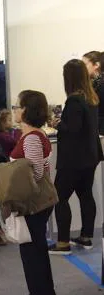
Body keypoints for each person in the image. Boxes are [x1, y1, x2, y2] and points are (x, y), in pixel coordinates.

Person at [10, 90, 57, 295]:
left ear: (26, 110)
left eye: (17, 106)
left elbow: (36, 173)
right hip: (38, 203)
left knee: (31, 254)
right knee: (38, 250)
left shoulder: (30, 138)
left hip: (32, 203)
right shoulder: (35, 135)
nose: (14, 110)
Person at [50, 59, 104, 255]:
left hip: (73, 159)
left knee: (60, 197)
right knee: (85, 195)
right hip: (90, 156)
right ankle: (86, 236)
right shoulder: (91, 98)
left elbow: (71, 130)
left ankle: (63, 242)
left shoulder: (74, 100)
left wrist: (56, 124)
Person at [82, 51, 104, 134]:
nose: (82, 69)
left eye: (84, 65)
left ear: (96, 65)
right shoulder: (93, 83)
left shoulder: (101, 84)